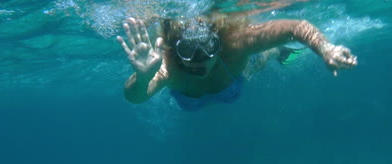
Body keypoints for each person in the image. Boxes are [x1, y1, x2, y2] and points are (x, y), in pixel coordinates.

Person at [116, 13, 357, 111]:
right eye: (188, 49)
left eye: (208, 48)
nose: (199, 59)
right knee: (246, 67)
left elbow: (295, 27)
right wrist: (144, 77)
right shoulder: (167, 66)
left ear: (218, 43)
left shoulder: (235, 43)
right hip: (207, 89)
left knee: (257, 61)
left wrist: (326, 48)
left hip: (232, 78)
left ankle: (275, 52)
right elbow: (134, 96)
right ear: (175, 48)